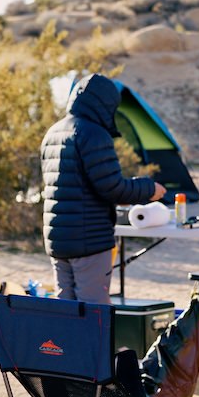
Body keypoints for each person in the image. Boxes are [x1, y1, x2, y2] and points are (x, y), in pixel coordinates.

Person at [41, 73, 166, 304]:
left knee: (64, 310)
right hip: (89, 240)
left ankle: (67, 342)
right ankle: (91, 343)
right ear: (105, 104)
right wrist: (148, 188)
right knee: (93, 311)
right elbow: (112, 188)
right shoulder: (94, 134)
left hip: (57, 239)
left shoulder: (53, 133)